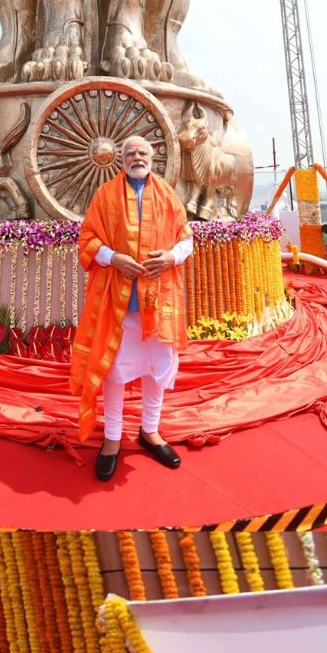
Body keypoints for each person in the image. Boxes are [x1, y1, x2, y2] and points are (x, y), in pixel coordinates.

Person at [71, 135, 194, 482]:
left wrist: (171, 256)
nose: (136, 157)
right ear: (120, 159)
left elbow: (187, 238)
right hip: (118, 300)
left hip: (159, 299)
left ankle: (150, 431)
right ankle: (112, 438)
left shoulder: (169, 195)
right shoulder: (105, 194)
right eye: (130, 153)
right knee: (114, 370)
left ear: (152, 158)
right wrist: (114, 258)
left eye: (142, 152)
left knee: (157, 369)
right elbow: (87, 239)